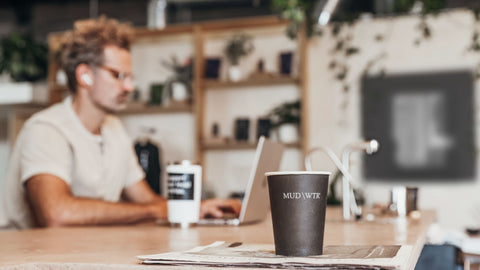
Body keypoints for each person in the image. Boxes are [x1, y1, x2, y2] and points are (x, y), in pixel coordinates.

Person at [0, 16, 241, 230]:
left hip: (85, 256)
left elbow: (147, 201)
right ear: (85, 75)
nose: (129, 87)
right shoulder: (45, 129)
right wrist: (158, 211)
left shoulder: (114, 129)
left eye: (130, 77)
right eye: (118, 75)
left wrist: (197, 207)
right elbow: (57, 214)